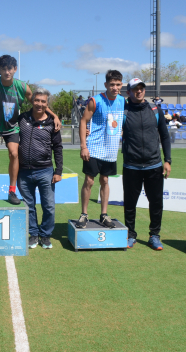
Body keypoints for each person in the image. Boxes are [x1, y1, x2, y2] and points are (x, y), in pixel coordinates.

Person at [0, 54, 61, 206]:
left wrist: (54, 115)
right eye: (3, 69)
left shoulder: (22, 87)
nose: (7, 72)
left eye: (10, 69)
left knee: (15, 153)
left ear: (15, 69)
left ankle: (12, 191)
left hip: (11, 126)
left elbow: (38, 103)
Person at [121, 78, 171, 250]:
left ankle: (154, 235)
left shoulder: (155, 110)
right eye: (135, 89)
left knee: (156, 203)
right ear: (128, 92)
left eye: (141, 88)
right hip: (131, 166)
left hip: (154, 165)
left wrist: (168, 160)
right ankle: (131, 234)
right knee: (130, 203)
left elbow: (164, 136)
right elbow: (110, 130)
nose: (139, 91)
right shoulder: (123, 110)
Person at [77, 69, 126, 229]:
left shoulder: (122, 100)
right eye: (112, 84)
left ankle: (104, 215)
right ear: (106, 84)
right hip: (93, 148)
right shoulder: (95, 100)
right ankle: (84, 214)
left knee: (105, 180)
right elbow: (84, 121)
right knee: (89, 181)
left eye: (118, 84)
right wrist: (83, 146)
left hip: (111, 150)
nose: (115, 87)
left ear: (121, 85)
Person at [16, 88, 63, 250]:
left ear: (47, 104)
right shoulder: (22, 118)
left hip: (45, 171)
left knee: (48, 206)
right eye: (37, 100)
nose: (39, 104)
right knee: (28, 206)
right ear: (32, 101)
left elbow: (58, 148)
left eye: (43, 101)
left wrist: (58, 171)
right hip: (23, 171)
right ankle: (33, 234)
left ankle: (45, 235)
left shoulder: (52, 123)